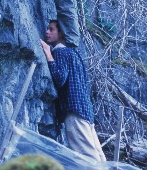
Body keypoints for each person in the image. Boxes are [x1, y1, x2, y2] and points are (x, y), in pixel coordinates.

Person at [40, 20, 106, 162]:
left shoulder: (60, 52)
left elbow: (60, 78)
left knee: (87, 158)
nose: (47, 32)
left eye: (51, 29)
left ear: (61, 34)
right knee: (99, 158)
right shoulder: (74, 54)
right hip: (86, 111)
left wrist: (48, 53)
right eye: (47, 29)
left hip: (74, 111)